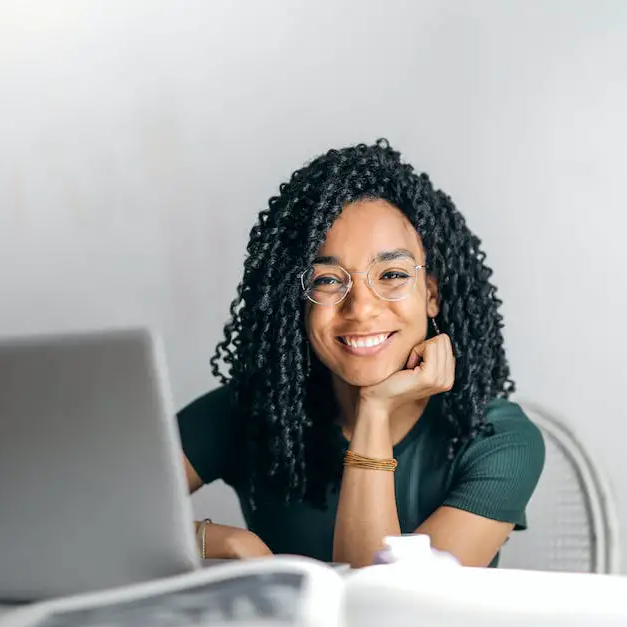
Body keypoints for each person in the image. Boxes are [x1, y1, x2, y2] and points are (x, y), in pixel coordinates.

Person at [177, 139, 545, 568]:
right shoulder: (251, 411)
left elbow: (387, 608)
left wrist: (375, 408)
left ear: (432, 295)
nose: (362, 308)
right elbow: (92, 517)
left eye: (391, 274)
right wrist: (222, 541)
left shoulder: (497, 440)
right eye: (328, 280)